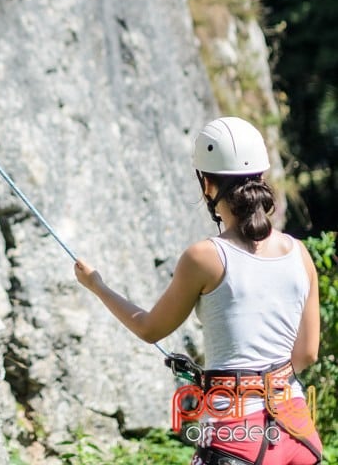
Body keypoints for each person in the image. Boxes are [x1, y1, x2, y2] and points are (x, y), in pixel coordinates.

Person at [75, 116, 322, 465]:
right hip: (298, 432)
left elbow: (150, 328)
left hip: (237, 438)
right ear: (262, 179)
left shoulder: (205, 256)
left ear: (207, 184)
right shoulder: (299, 253)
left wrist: (98, 287)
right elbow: (307, 353)